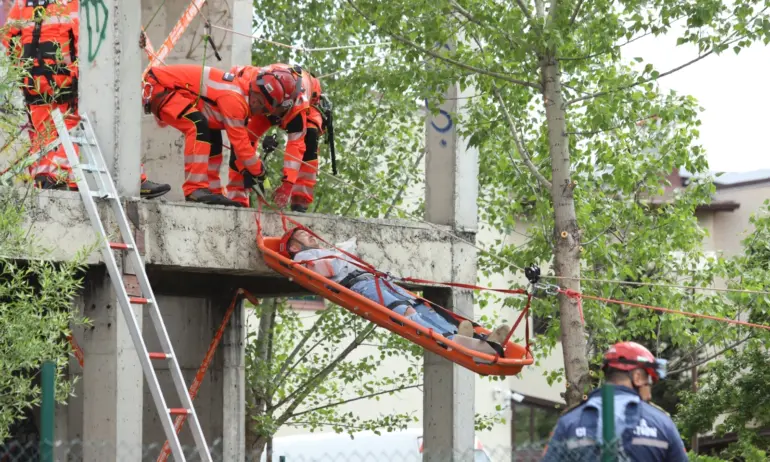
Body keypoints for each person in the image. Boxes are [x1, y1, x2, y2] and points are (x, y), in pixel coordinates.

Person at [2, 0, 169, 197]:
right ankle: (131, 179)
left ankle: (47, 179)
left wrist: (21, 70)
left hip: (34, 80)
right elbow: (87, 40)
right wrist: (84, 73)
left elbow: (8, 39)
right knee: (93, 126)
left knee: (44, 133)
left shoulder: (23, 4)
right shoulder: (72, 3)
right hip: (64, 79)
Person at [279, 227, 511, 356]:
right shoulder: (303, 258)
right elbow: (331, 268)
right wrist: (343, 251)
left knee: (425, 309)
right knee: (408, 313)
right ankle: (464, 343)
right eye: (302, 234)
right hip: (362, 286)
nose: (310, 234)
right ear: (294, 246)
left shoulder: (326, 252)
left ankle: (472, 339)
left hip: (376, 281)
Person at [142, 64, 267, 206]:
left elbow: (241, 148)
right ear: (259, 100)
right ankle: (194, 189)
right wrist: (259, 171)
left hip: (166, 86)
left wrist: (247, 169)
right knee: (197, 125)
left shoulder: (238, 92)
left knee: (212, 132)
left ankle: (212, 191)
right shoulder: (235, 99)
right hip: (158, 86)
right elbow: (241, 145)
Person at [542, 342, 688, 462]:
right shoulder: (662, 423)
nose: (649, 394)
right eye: (649, 383)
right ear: (637, 377)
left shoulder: (569, 422)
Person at [228, 63, 327, 210]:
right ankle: (237, 197)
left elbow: (296, 146)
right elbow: (241, 141)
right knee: (243, 139)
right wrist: (246, 169)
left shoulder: (299, 105)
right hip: (267, 101)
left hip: (303, 105)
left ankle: (300, 199)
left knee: (310, 138)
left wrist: (287, 184)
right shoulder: (252, 78)